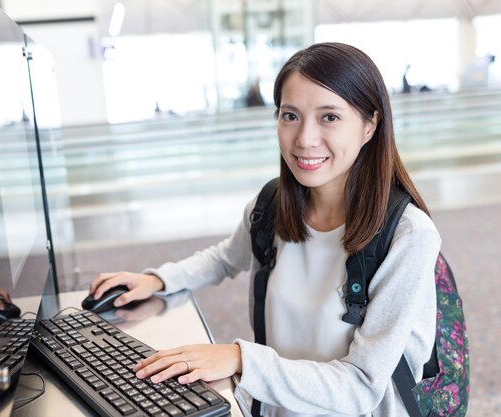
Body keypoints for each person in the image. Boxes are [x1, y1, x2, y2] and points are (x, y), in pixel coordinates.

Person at [88, 42, 440, 416]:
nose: (304, 139)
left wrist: (242, 359)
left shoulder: (408, 235)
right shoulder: (272, 205)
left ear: (370, 124)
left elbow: (359, 388)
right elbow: (226, 258)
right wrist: (159, 280)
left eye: (329, 117)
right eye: (290, 116)